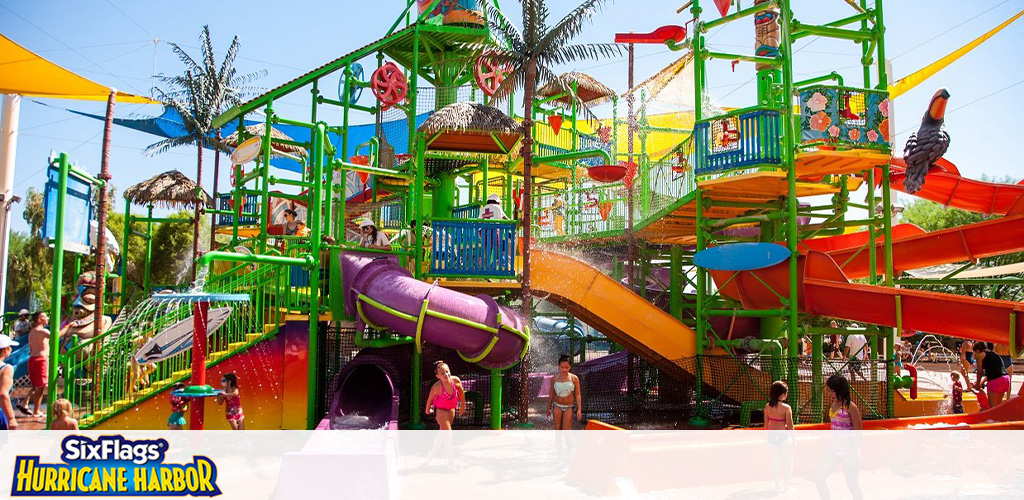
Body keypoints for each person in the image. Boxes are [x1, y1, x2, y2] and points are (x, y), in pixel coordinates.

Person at [814, 374, 863, 500]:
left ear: (840, 390)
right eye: (829, 391)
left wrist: (853, 453)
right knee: (819, 478)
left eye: (833, 391)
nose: (830, 394)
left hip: (849, 452)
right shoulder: (833, 404)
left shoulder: (850, 407)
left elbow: (858, 432)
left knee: (852, 485)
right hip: (834, 450)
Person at [423, 361, 465, 470]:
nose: (446, 374)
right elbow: (430, 399)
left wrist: (463, 406)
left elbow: (461, 392)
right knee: (448, 435)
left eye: (447, 372)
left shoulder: (455, 381)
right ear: (438, 376)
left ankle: (430, 457)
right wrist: (427, 410)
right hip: (440, 411)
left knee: (442, 435)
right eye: (442, 373)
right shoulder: (436, 387)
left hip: (451, 409)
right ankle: (451, 463)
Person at [764, 381, 795, 493]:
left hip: (772, 437)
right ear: (782, 394)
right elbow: (790, 426)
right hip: (783, 438)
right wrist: (794, 440)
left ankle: (777, 485)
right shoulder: (786, 408)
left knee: (775, 462)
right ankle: (786, 485)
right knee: (788, 461)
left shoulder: (767, 407)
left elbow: (766, 425)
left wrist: (767, 438)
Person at [547, 354, 583, 428]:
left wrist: (579, 409)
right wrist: (548, 407)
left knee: (566, 430)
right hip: (557, 405)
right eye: (562, 367)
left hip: (569, 406)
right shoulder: (554, 378)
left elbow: (578, 394)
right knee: (557, 430)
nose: (564, 369)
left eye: (566, 367)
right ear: (558, 367)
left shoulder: (574, 378)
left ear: (570, 367)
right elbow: (552, 393)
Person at [27, 311, 50, 417]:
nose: (48, 318)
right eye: (45, 316)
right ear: (39, 320)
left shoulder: (32, 332)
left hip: (32, 358)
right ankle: (36, 410)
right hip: (41, 359)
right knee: (40, 386)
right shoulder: (43, 331)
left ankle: (25, 403)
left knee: (36, 385)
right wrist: (68, 326)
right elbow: (56, 335)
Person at [973, 342, 1010, 407]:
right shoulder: (993, 354)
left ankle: (993, 417)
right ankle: (1000, 417)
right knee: (998, 405)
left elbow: (979, 372)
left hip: (995, 381)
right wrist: (981, 383)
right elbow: (993, 371)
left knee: (992, 406)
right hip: (1005, 378)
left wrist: (977, 385)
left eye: (974, 353)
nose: (974, 356)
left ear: (977, 350)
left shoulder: (980, 355)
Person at [0, 335, 20, 430]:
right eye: (10, 347)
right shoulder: (6, 368)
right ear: (5, 350)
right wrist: (11, 418)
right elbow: (3, 394)